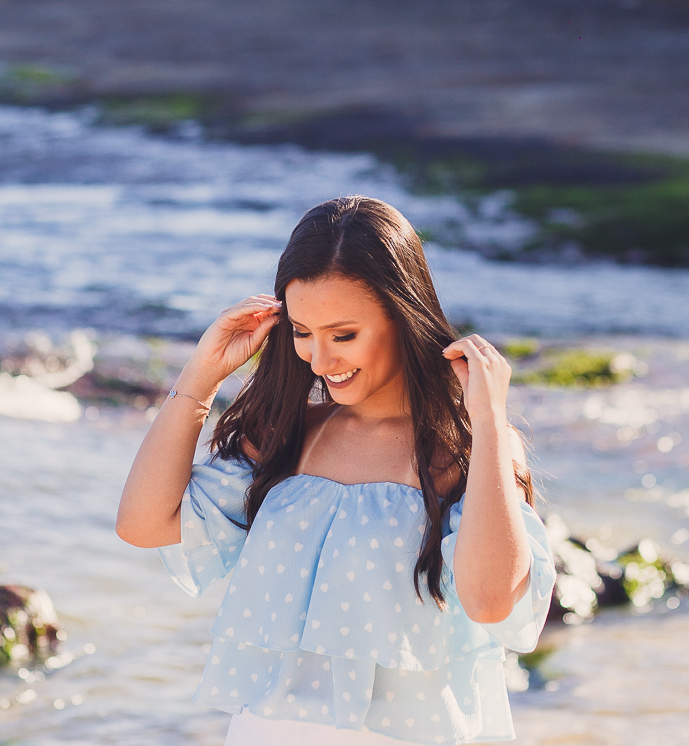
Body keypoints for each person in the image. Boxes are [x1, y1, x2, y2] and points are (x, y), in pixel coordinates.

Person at [117, 196, 556, 745]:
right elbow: (142, 523)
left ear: (401, 316)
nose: (321, 362)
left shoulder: (465, 452)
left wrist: (489, 422)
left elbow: (491, 602)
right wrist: (202, 376)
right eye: (303, 332)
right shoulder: (285, 436)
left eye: (343, 335)